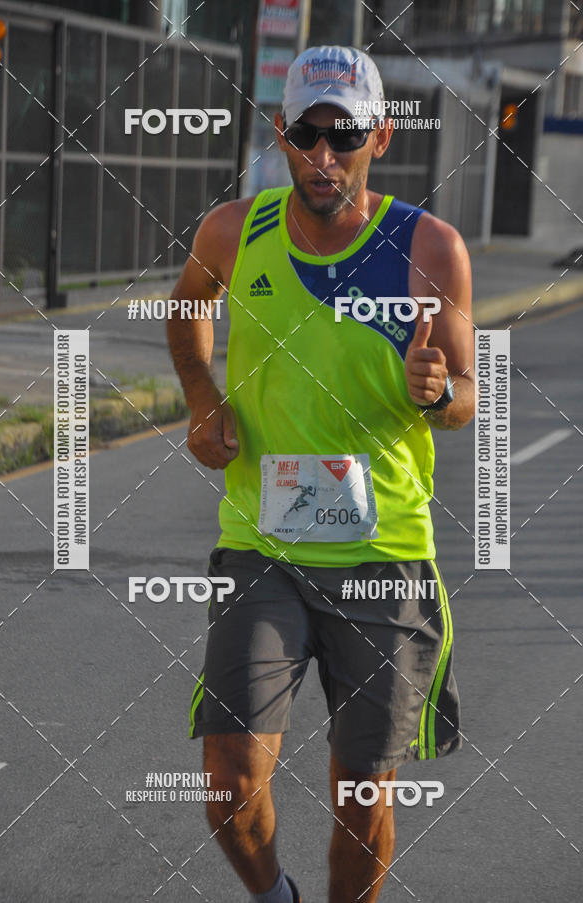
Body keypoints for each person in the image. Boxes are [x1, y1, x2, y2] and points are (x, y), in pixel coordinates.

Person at [167, 45, 475, 903]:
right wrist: (200, 394)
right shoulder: (235, 230)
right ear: (283, 132)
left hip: (385, 558)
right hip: (262, 545)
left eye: (345, 137)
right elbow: (189, 305)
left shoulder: (431, 248)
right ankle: (275, 898)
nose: (324, 157)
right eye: (307, 135)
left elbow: (465, 397)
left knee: (361, 796)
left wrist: (439, 390)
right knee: (229, 778)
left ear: (381, 135)